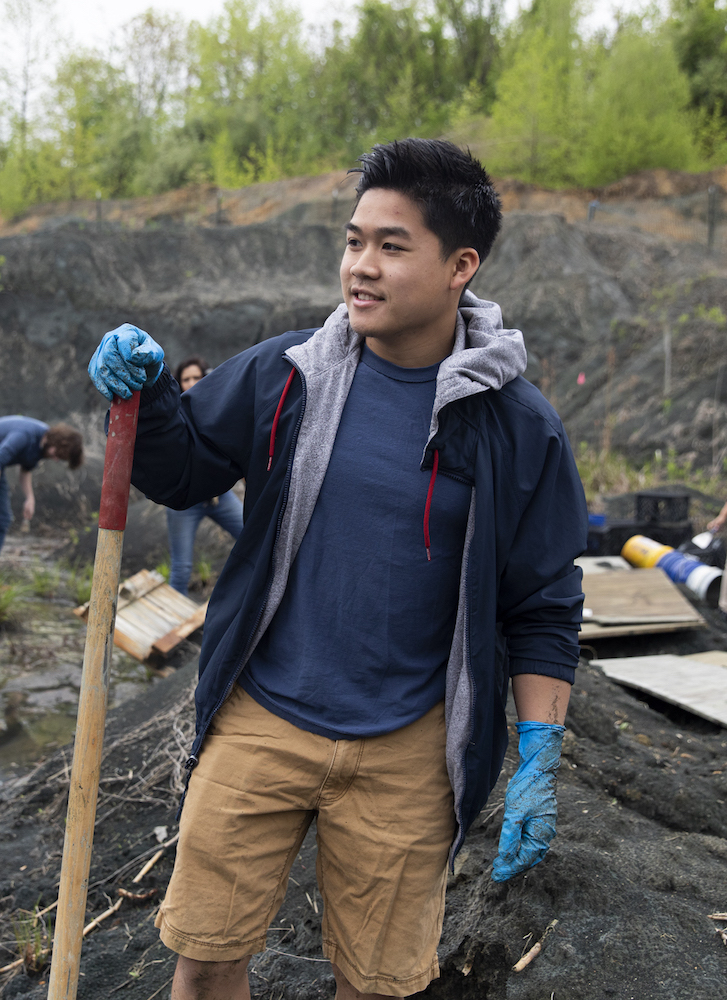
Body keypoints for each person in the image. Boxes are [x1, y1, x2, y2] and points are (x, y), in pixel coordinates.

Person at [88, 138, 587, 1000]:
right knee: (203, 963)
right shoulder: (290, 376)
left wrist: (539, 750)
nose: (361, 266)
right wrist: (146, 398)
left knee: (376, 986)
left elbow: (541, 602)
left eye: (392, 247)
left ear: (460, 265)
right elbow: (179, 470)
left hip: (408, 747)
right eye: (354, 241)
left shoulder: (516, 426)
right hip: (261, 718)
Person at [164, 356, 244, 596]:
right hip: (185, 502)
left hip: (220, 496)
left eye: (196, 378)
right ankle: (173, 626)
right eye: (186, 379)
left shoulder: (219, 406)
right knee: (181, 567)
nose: (191, 383)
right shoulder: (171, 412)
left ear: (205, 378)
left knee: (254, 539)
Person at [0, 417, 84, 555]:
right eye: (56, 454)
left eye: (59, 459)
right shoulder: (24, 435)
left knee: (3, 519)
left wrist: (29, 498)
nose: (55, 459)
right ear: (55, 441)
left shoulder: (41, 449)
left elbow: (25, 470)